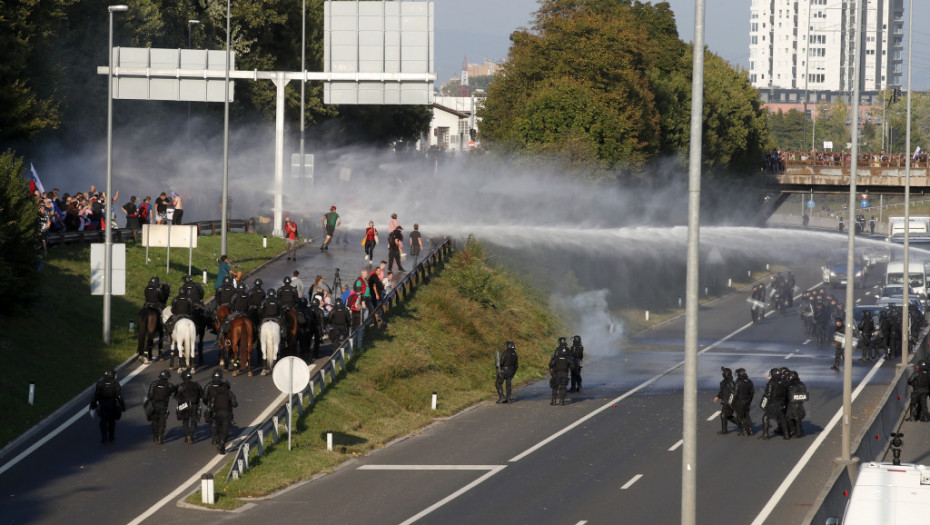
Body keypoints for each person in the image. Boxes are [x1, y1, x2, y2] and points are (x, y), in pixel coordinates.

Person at [203, 369, 238, 454]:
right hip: (226, 414)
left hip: (216, 412)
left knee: (216, 426)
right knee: (225, 430)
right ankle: (221, 444)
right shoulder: (229, 393)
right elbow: (235, 404)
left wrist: (209, 407)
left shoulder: (212, 390)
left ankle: (216, 439)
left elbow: (206, 398)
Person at [89, 369, 126, 444]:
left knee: (103, 422)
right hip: (112, 405)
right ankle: (111, 437)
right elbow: (119, 396)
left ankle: (104, 438)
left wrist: (93, 405)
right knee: (111, 422)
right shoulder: (115, 384)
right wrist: (123, 406)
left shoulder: (100, 384)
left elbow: (95, 396)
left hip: (103, 406)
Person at [146, 370, 177, 445]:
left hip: (154, 406)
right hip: (163, 406)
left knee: (154, 422)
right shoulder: (169, 385)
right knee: (162, 422)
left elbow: (149, 395)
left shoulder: (154, 384)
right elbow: (174, 389)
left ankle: (155, 436)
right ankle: (160, 437)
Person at [759, 368, 789, 440]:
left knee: (765, 418)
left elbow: (768, 395)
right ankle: (786, 434)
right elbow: (785, 393)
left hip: (773, 404)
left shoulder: (771, 382)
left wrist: (764, 403)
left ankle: (766, 435)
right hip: (781, 403)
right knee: (782, 418)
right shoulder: (783, 381)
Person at [175, 368, 203, 444]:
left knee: (185, 421)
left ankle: (188, 434)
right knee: (194, 421)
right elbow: (202, 394)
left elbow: (176, 396)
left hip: (184, 405)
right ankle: (190, 434)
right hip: (194, 404)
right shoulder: (196, 385)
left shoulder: (180, 386)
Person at [549, 338, 575, 406]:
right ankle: (562, 401)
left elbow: (551, 364)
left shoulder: (556, 353)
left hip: (556, 372)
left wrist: (551, 370)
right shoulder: (568, 353)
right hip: (564, 373)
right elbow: (572, 365)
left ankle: (553, 401)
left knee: (555, 387)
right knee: (563, 387)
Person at [713, 367, 737, 435]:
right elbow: (722, 391)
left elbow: (734, 391)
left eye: (723, 372)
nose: (722, 374)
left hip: (729, 402)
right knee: (728, 416)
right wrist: (718, 397)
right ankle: (742, 425)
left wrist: (731, 401)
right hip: (726, 401)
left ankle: (724, 430)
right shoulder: (725, 382)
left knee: (724, 415)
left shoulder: (730, 382)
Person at [785, 370, 808, 437]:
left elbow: (787, 393)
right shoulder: (801, 384)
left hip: (792, 404)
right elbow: (804, 393)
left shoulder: (790, 384)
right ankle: (798, 431)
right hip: (798, 404)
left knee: (790, 418)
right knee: (797, 418)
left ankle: (795, 431)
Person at [732, 368, 754, 436]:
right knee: (747, 415)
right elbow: (752, 392)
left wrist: (732, 402)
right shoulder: (749, 381)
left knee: (739, 416)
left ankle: (744, 430)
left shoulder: (738, 381)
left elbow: (735, 393)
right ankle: (750, 430)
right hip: (747, 401)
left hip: (740, 401)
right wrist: (749, 400)